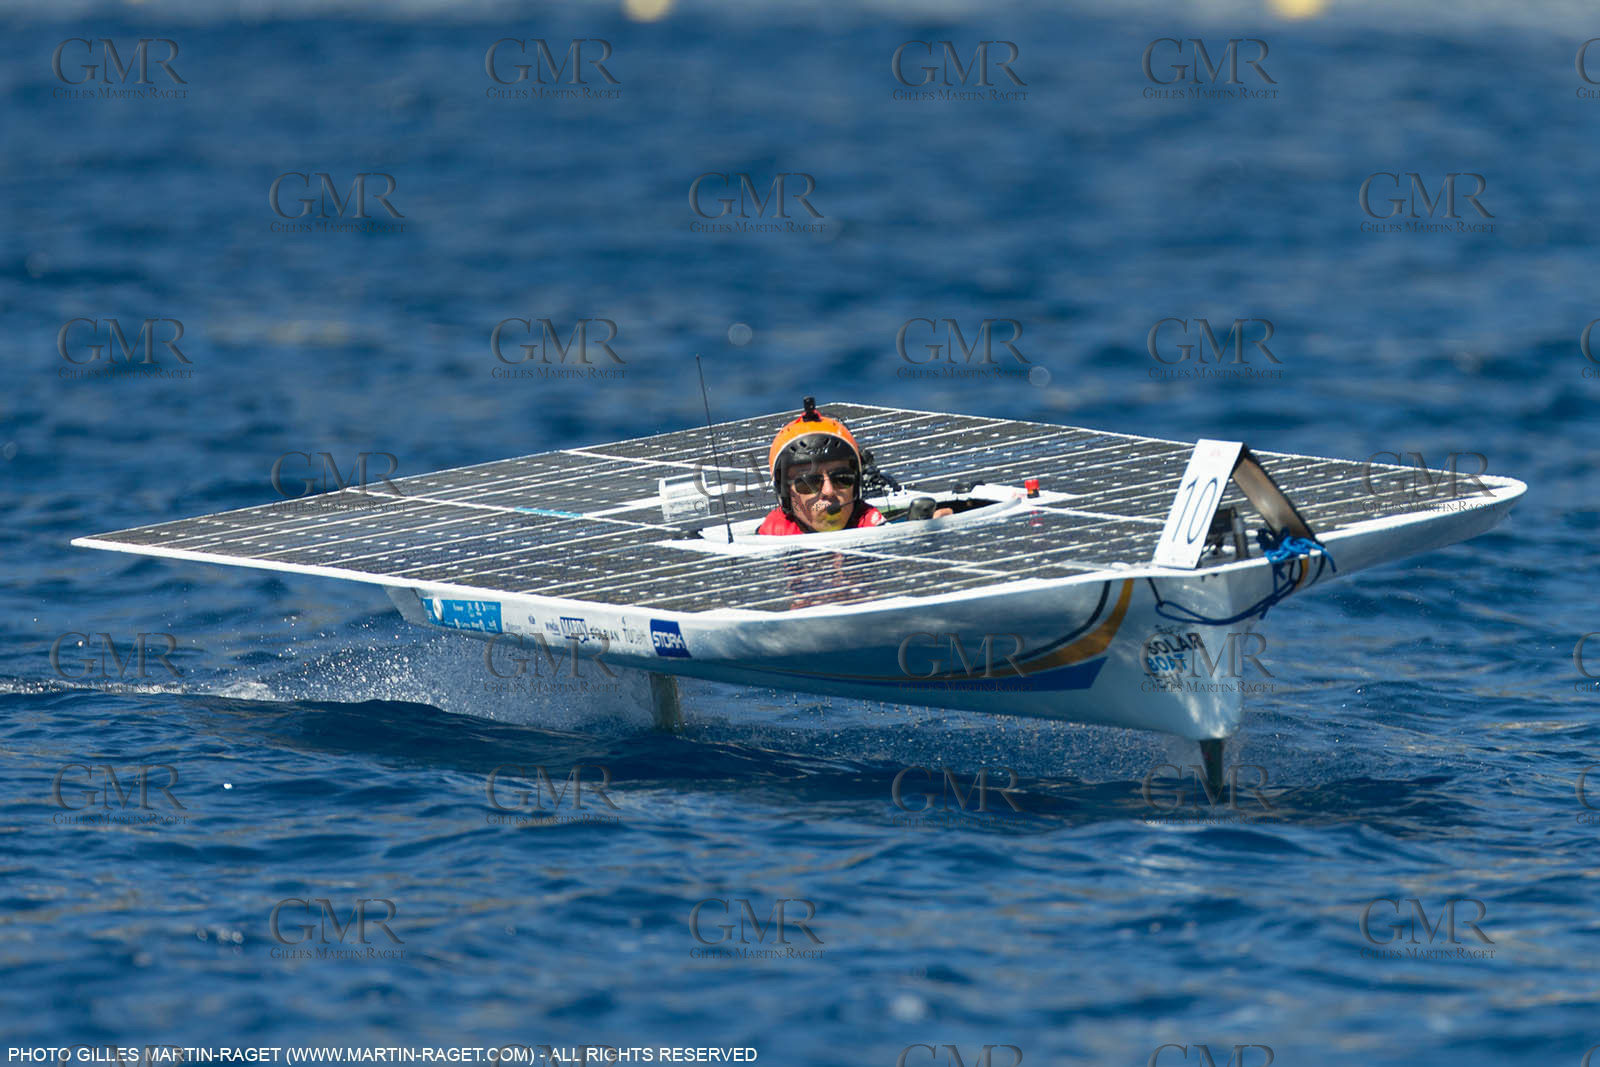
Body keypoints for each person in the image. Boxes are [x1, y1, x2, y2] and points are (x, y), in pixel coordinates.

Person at [758, 399, 887, 535]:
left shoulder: (874, 529)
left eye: (842, 479)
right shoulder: (772, 537)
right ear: (785, 493)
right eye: (810, 483)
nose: (829, 491)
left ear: (856, 486)